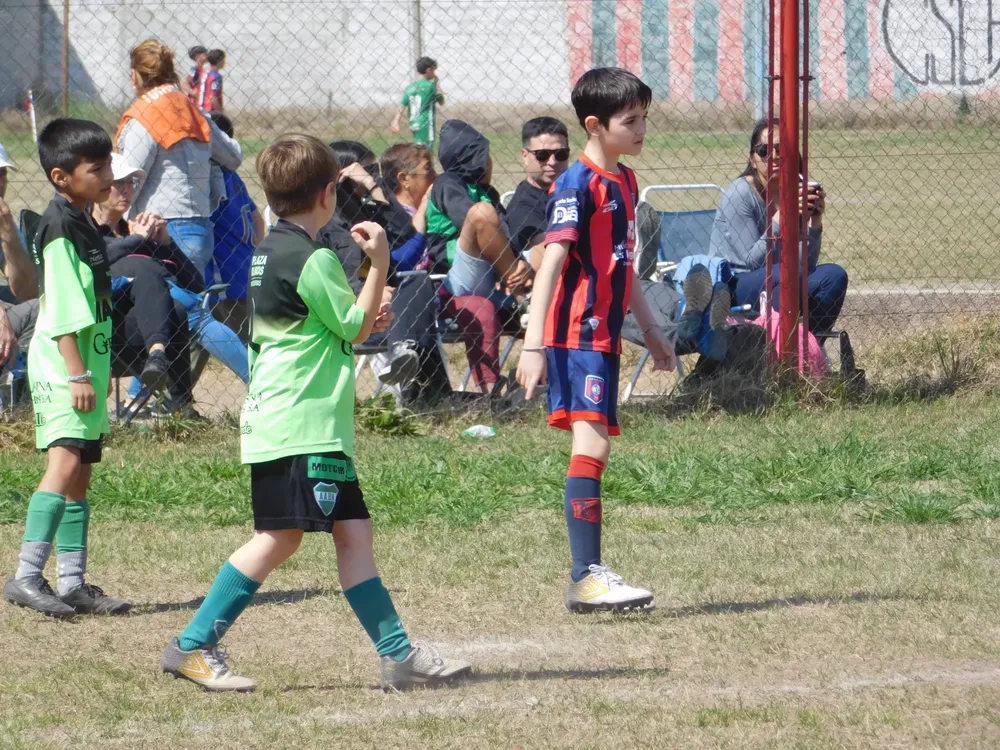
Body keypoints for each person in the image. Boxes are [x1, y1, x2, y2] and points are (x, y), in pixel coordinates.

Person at [161, 134, 471, 691]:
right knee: (278, 539)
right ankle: (193, 644)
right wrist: (378, 265)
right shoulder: (315, 257)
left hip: (291, 419)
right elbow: (352, 326)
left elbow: (316, 323)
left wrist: (357, 310)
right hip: (300, 424)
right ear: (329, 193)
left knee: (354, 533)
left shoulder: (267, 252)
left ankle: (397, 654)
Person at [516, 68, 676, 613]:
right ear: (594, 125)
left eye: (644, 118)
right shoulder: (575, 184)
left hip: (604, 337)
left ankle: (588, 575)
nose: (641, 129)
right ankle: (586, 576)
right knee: (593, 445)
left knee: (597, 446)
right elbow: (552, 264)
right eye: (630, 121)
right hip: (572, 336)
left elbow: (622, 266)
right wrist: (533, 344)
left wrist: (652, 330)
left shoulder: (626, 183)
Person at [3, 118, 130, 618]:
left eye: (108, 165)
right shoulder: (60, 229)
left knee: (82, 474)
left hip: (87, 365)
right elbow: (60, 311)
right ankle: (27, 576)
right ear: (61, 177)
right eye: (96, 168)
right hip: (65, 367)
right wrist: (77, 373)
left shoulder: (82, 221)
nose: (108, 176)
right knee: (65, 464)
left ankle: (73, 582)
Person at [92, 154, 250, 400]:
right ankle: (261, 384)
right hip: (112, 330)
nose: (126, 189)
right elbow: (99, 261)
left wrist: (166, 243)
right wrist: (136, 242)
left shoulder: (134, 232)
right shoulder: (91, 235)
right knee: (188, 309)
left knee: (185, 304)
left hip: (155, 327)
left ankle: (149, 399)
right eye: (119, 182)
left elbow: (196, 285)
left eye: (131, 182)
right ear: (99, 186)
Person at [116, 39, 243, 281]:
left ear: (135, 76)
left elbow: (130, 177)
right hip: (200, 226)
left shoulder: (145, 115)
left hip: (160, 228)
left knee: (177, 312)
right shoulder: (193, 110)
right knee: (192, 306)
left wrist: (117, 223)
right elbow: (234, 156)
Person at [709, 118, 848, 334]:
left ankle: (807, 351)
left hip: (780, 278)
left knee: (834, 275)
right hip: (735, 285)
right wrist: (780, 218)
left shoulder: (791, 192)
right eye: (764, 150)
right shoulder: (740, 194)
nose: (773, 156)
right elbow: (751, 262)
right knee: (784, 274)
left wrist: (815, 222)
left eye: (780, 149)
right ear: (753, 160)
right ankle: (775, 353)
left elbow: (806, 264)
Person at [206, 112, 264, 341]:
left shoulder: (211, 178)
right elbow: (258, 219)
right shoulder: (231, 175)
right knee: (249, 341)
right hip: (243, 267)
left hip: (225, 277)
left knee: (226, 339)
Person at [506, 117, 571, 271]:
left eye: (561, 154)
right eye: (542, 155)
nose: (553, 162)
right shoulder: (522, 207)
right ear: (524, 156)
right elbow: (545, 250)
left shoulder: (575, 191)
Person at [0, 142, 37, 368]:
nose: (0, 182)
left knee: (41, 309)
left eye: (2, 173)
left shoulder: (5, 221)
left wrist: (8, 236)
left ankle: (20, 397)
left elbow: (29, 292)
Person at [391, 56, 445, 147]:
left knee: (418, 149)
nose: (434, 73)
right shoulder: (430, 86)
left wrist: (396, 121)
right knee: (426, 152)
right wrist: (437, 83)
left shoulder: (410, 87)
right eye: (433, 70)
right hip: (426, 124)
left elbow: (402, 105)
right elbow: (442, 101)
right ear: (428, 70)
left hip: (414, 123)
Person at [199, 49, 226, 113]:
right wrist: (220, 111)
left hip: (200, 108)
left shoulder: (204, 73)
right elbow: (213, 97)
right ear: (220, 61)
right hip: (210, 110)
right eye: (223, 60)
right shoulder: (216, 77)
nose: (224, 62)